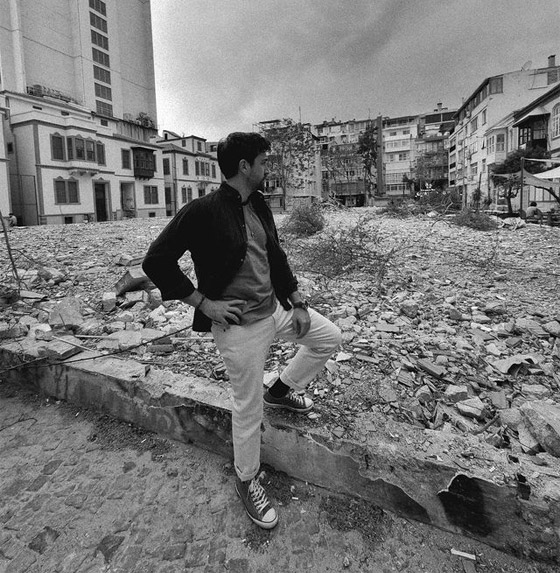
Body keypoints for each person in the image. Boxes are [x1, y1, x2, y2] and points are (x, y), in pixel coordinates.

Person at [143, 132, 341, 529]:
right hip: (238, 328)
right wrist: (204, 304)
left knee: (329, 337)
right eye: (264, 162)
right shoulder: (201, 211)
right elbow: (156, 261)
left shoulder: (260, 204)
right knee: (247, 408)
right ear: (244, 166)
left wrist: (297, 301)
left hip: (276, 311)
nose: (268, 168)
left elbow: (275, 256)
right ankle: (246, 479)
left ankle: (281, 390)